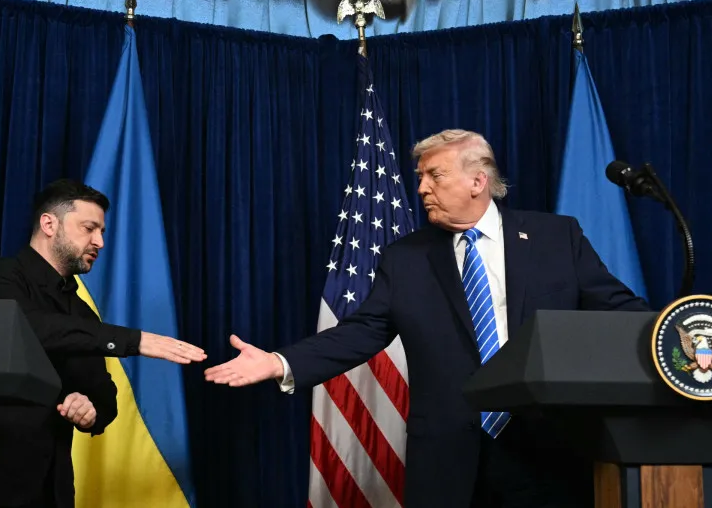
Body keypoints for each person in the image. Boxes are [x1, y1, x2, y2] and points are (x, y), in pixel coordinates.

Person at [204, 129, 650, 508]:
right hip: (447, 460)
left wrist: (675, 335)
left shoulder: (556, 237)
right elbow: (361, 332)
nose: (421, 189)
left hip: (548, 453)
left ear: (478, 180)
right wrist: (279, 362)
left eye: (434, 175)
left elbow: (617, 308)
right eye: (420, 177)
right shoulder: (406, 259)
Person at [0, 179, 206, 508]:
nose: (99, 242)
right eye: (89, 228)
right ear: (49, 224)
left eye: (101, 231)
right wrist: (133, 340)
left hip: (51, 493)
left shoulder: (83, 314)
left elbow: (104, 397)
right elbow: (27, 328)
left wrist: (90, 409)